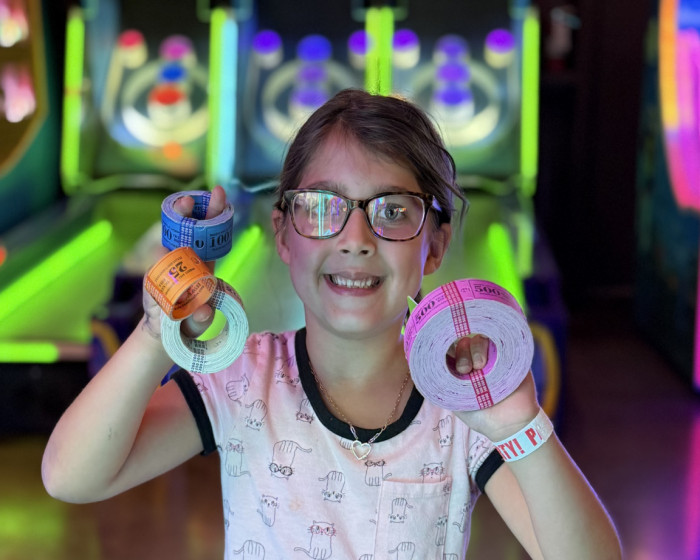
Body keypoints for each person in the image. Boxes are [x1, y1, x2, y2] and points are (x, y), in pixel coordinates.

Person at [42, 88, 622, 559]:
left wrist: (521, 426)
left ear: (437, 244)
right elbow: (71, 476)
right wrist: (156, 333)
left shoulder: (461, 407)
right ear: (283, 235)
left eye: (393, 211)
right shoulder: (243, 380)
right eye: (322, 208)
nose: (355, 239)